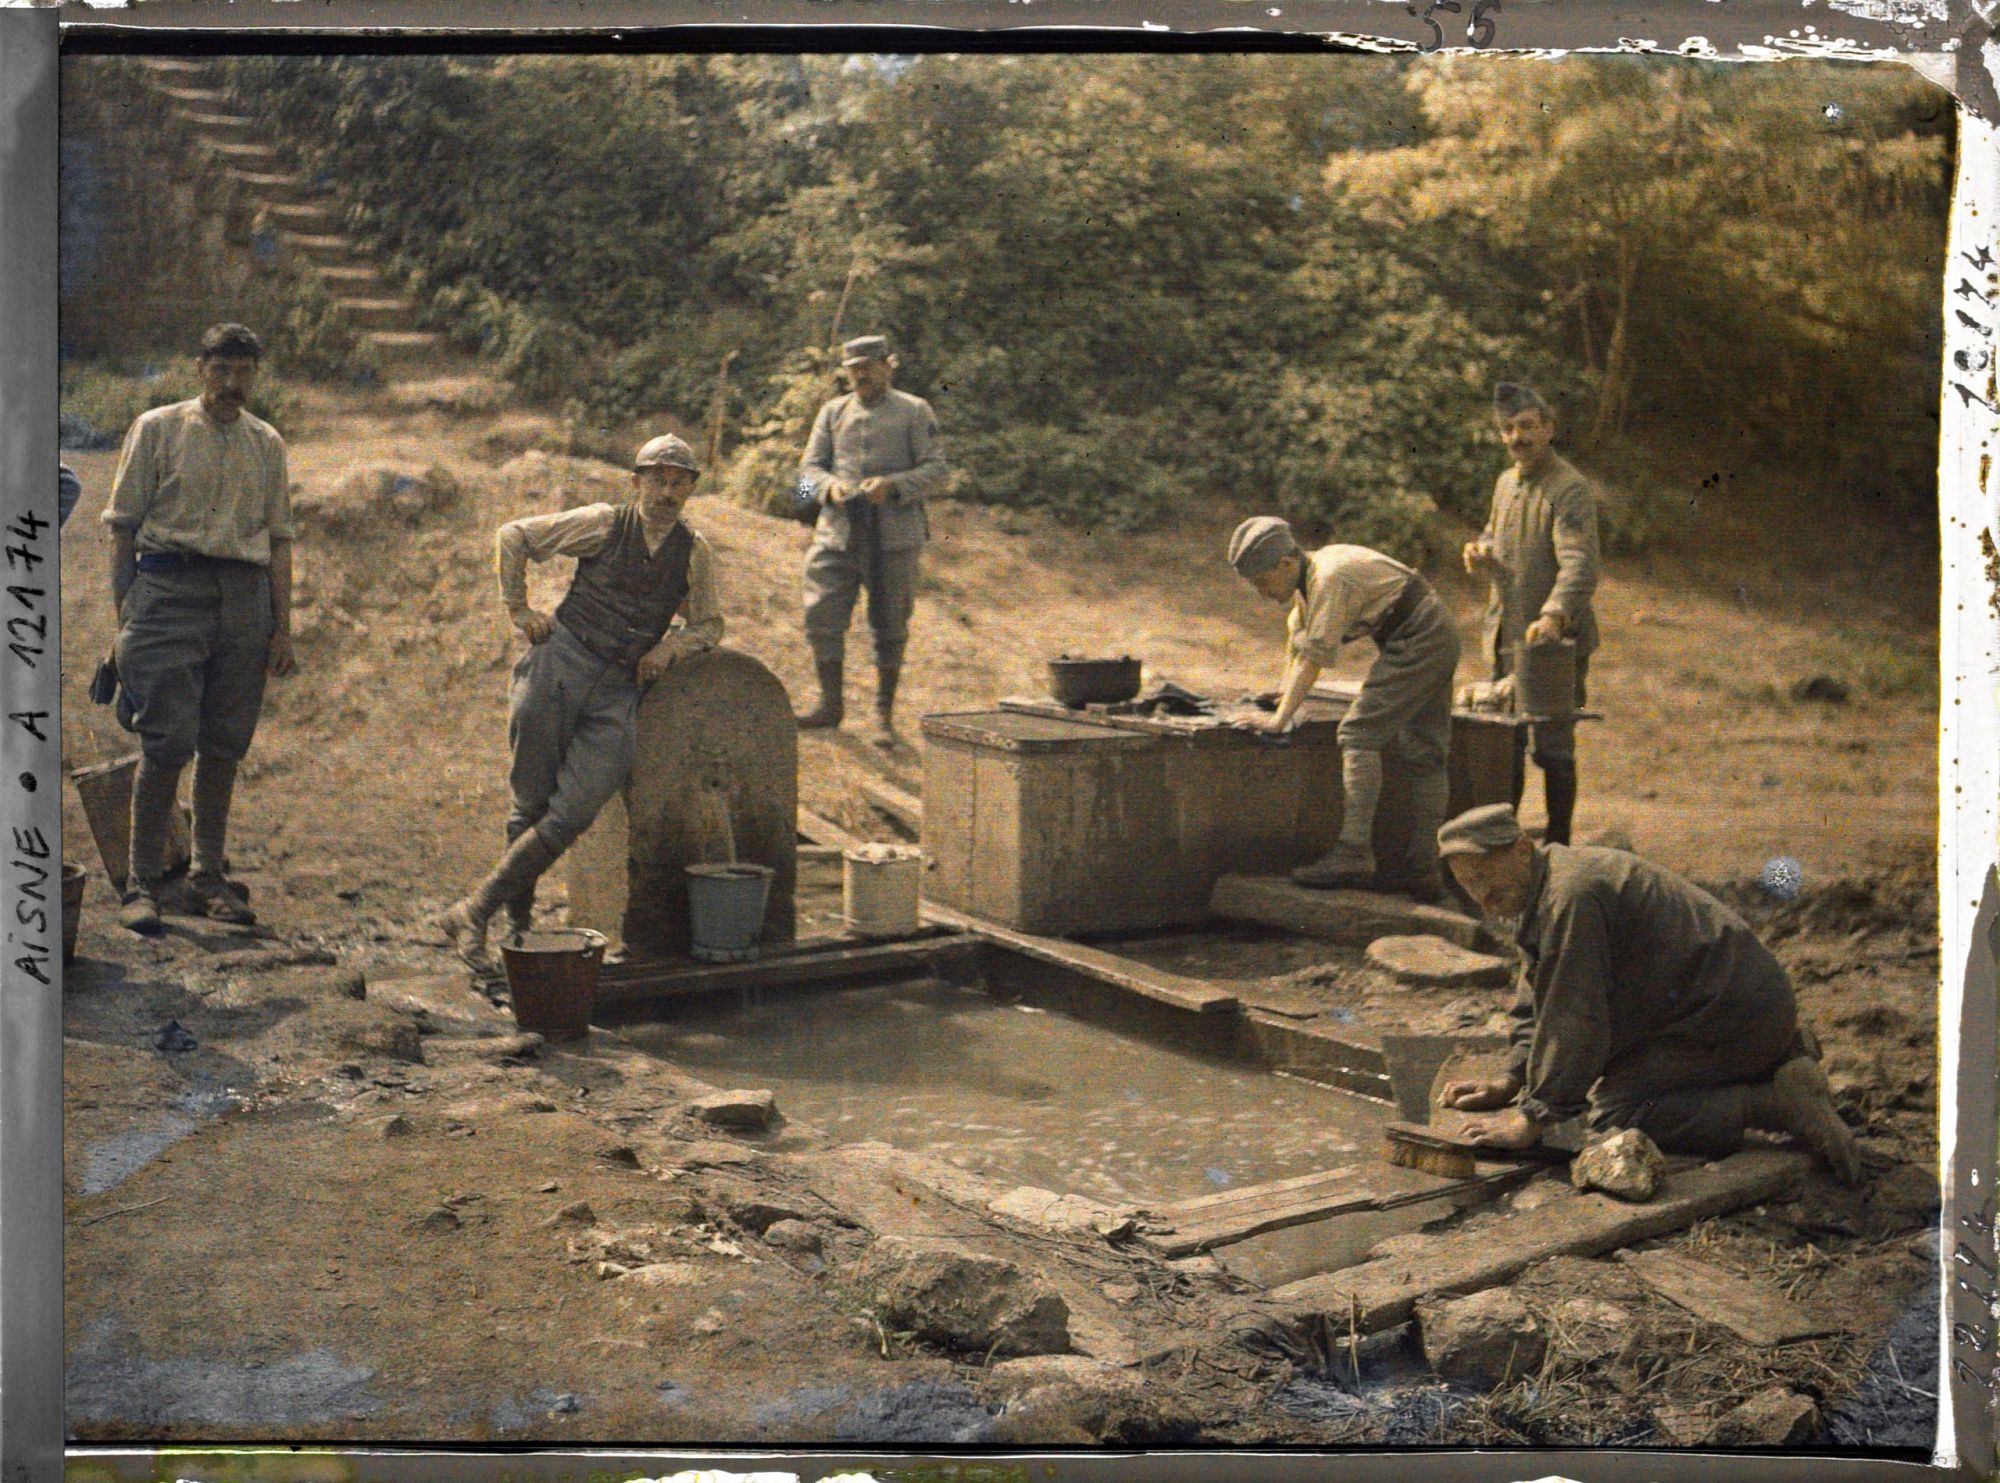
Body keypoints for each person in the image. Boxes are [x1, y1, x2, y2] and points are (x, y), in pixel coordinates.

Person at [1435, 803, 1862, 1186]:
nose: (1483, 898)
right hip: (1726, 1006)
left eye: (1488, 878)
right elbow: (1538, 992)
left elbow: (1572, 1014)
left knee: (1619, 1114)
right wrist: (1512, 1079)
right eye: (1469, 884)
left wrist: (1534, 1117)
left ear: (1523, 849)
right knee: (1604, 1076)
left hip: (1730, 1015)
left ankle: (1774, 1103)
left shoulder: (1571, 897)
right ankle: (1780, 1056)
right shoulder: (1548, 884)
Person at [440, 433, 723, 984]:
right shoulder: (602, 522)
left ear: (691, 488)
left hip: (618, 691)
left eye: (678, 482)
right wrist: (519, 609)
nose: (666, 492)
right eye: (656, 479)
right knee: (529, 805)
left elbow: (710, 624)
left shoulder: (696, 551)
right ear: (637, 481)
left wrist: (670, 646)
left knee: (571, 814)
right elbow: (514, 535)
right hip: (559, 667)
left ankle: (472, 909)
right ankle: (514, 936)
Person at [103, 322, 296, 933]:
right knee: (165, 744)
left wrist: (281, 628)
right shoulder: (157, 428)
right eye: (222, 370)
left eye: (244, 372)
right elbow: (122, 528)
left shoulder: (266, 443)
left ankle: (208, 877)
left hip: (243, 602)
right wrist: (127, 616)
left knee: (224, 745)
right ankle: (142, 883)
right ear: (198, 369)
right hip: (168, 592)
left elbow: (280, 542)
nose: (233, 384)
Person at [1228, 516, 1461, 901]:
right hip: (1426, 630)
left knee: (1358, 734)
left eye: (1262, 582)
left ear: (1286, 563)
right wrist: (1285, 693)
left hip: (1420, 636)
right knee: (1425, 754)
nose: (1260, 593)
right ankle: (1423, 870)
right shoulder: (1309, 577)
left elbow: (1314, 657)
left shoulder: (1329, 577)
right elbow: (1298, 641)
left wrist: (1279, 719)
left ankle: (1354, 850)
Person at [1462, 382, 1600, 845]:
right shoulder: (1506, 482)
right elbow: (1494, 532)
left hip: (1551, 643)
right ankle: (1507, 843)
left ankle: (1559, 842)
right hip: (1506, 634)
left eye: (1525, 427)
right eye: (1507, 429)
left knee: (1554, 746)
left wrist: (1556, 614)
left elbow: (1580, 563)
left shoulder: (1569, 488)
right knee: (1506, 743)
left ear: (1549, 428)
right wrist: (1482, 550)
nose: (1516, 438)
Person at [793, 334, 946, 748]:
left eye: (869, 366)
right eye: (854, 369)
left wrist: (894, 486)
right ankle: (830, 705)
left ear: (888, 366)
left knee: (890, 623)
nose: (861, 375)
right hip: (837, 533)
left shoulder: (914, 411)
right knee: (821, 616)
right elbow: (804, 477)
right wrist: (828, 490)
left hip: (893, 536)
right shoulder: (832, 412)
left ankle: (883, 716)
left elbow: (937, 471)